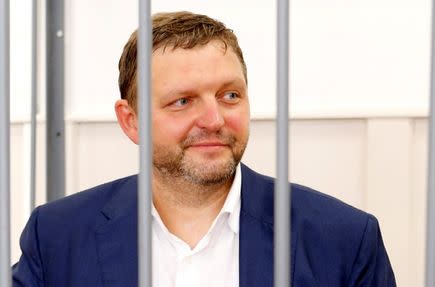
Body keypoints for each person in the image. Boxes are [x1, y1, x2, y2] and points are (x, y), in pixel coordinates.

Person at [12, 11, 396, 287]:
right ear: (131, 122)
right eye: (183, 101)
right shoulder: (57, 238)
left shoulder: (343, 240)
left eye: (230, 95)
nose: (214, 119)